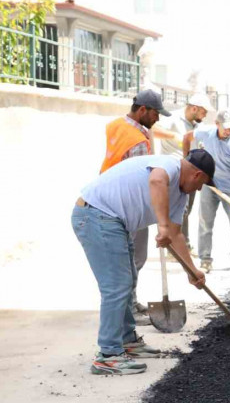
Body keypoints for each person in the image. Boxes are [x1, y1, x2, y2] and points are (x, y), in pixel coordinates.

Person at [72, 150, 215, 375]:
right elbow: (156, 180)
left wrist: (191, 271)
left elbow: (176, 235)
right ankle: (108, 356)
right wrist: (162, 226)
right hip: (95, 215)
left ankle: (127, 341)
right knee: (116, 286)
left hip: (116, 223)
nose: (199, 190)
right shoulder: (168, 165)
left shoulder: (181, 197)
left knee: (128, 281)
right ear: (197, 175)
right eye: (201, 184)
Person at [99, 89, 170, 326]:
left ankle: (132, 300)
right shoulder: (138, 140)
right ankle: (129, 308)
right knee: (134, 258)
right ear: (143, 110)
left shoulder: (116, 125)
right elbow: (140, 180)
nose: (157, 119)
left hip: (107, 198)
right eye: (155, 114)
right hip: (128, 207)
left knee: (125, 258)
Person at [182, 110, 230, 271]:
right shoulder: (206, 133)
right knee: (205, 223)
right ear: (217, 124)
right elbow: (186, 137)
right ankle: (205, 260)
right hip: (209, 186)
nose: (228, 131)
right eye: (225, 127)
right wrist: (186, 160)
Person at [152, 93, 212, 257]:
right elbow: (154, 129)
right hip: (174, 172)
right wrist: (173, 136)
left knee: (186, 211)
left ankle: (183, 244)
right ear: (194, 108)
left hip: (191, 173)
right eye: (203, 112)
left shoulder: (197, 125)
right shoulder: (173, 117)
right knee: (178, 210)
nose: (205, 115)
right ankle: (176, 248)